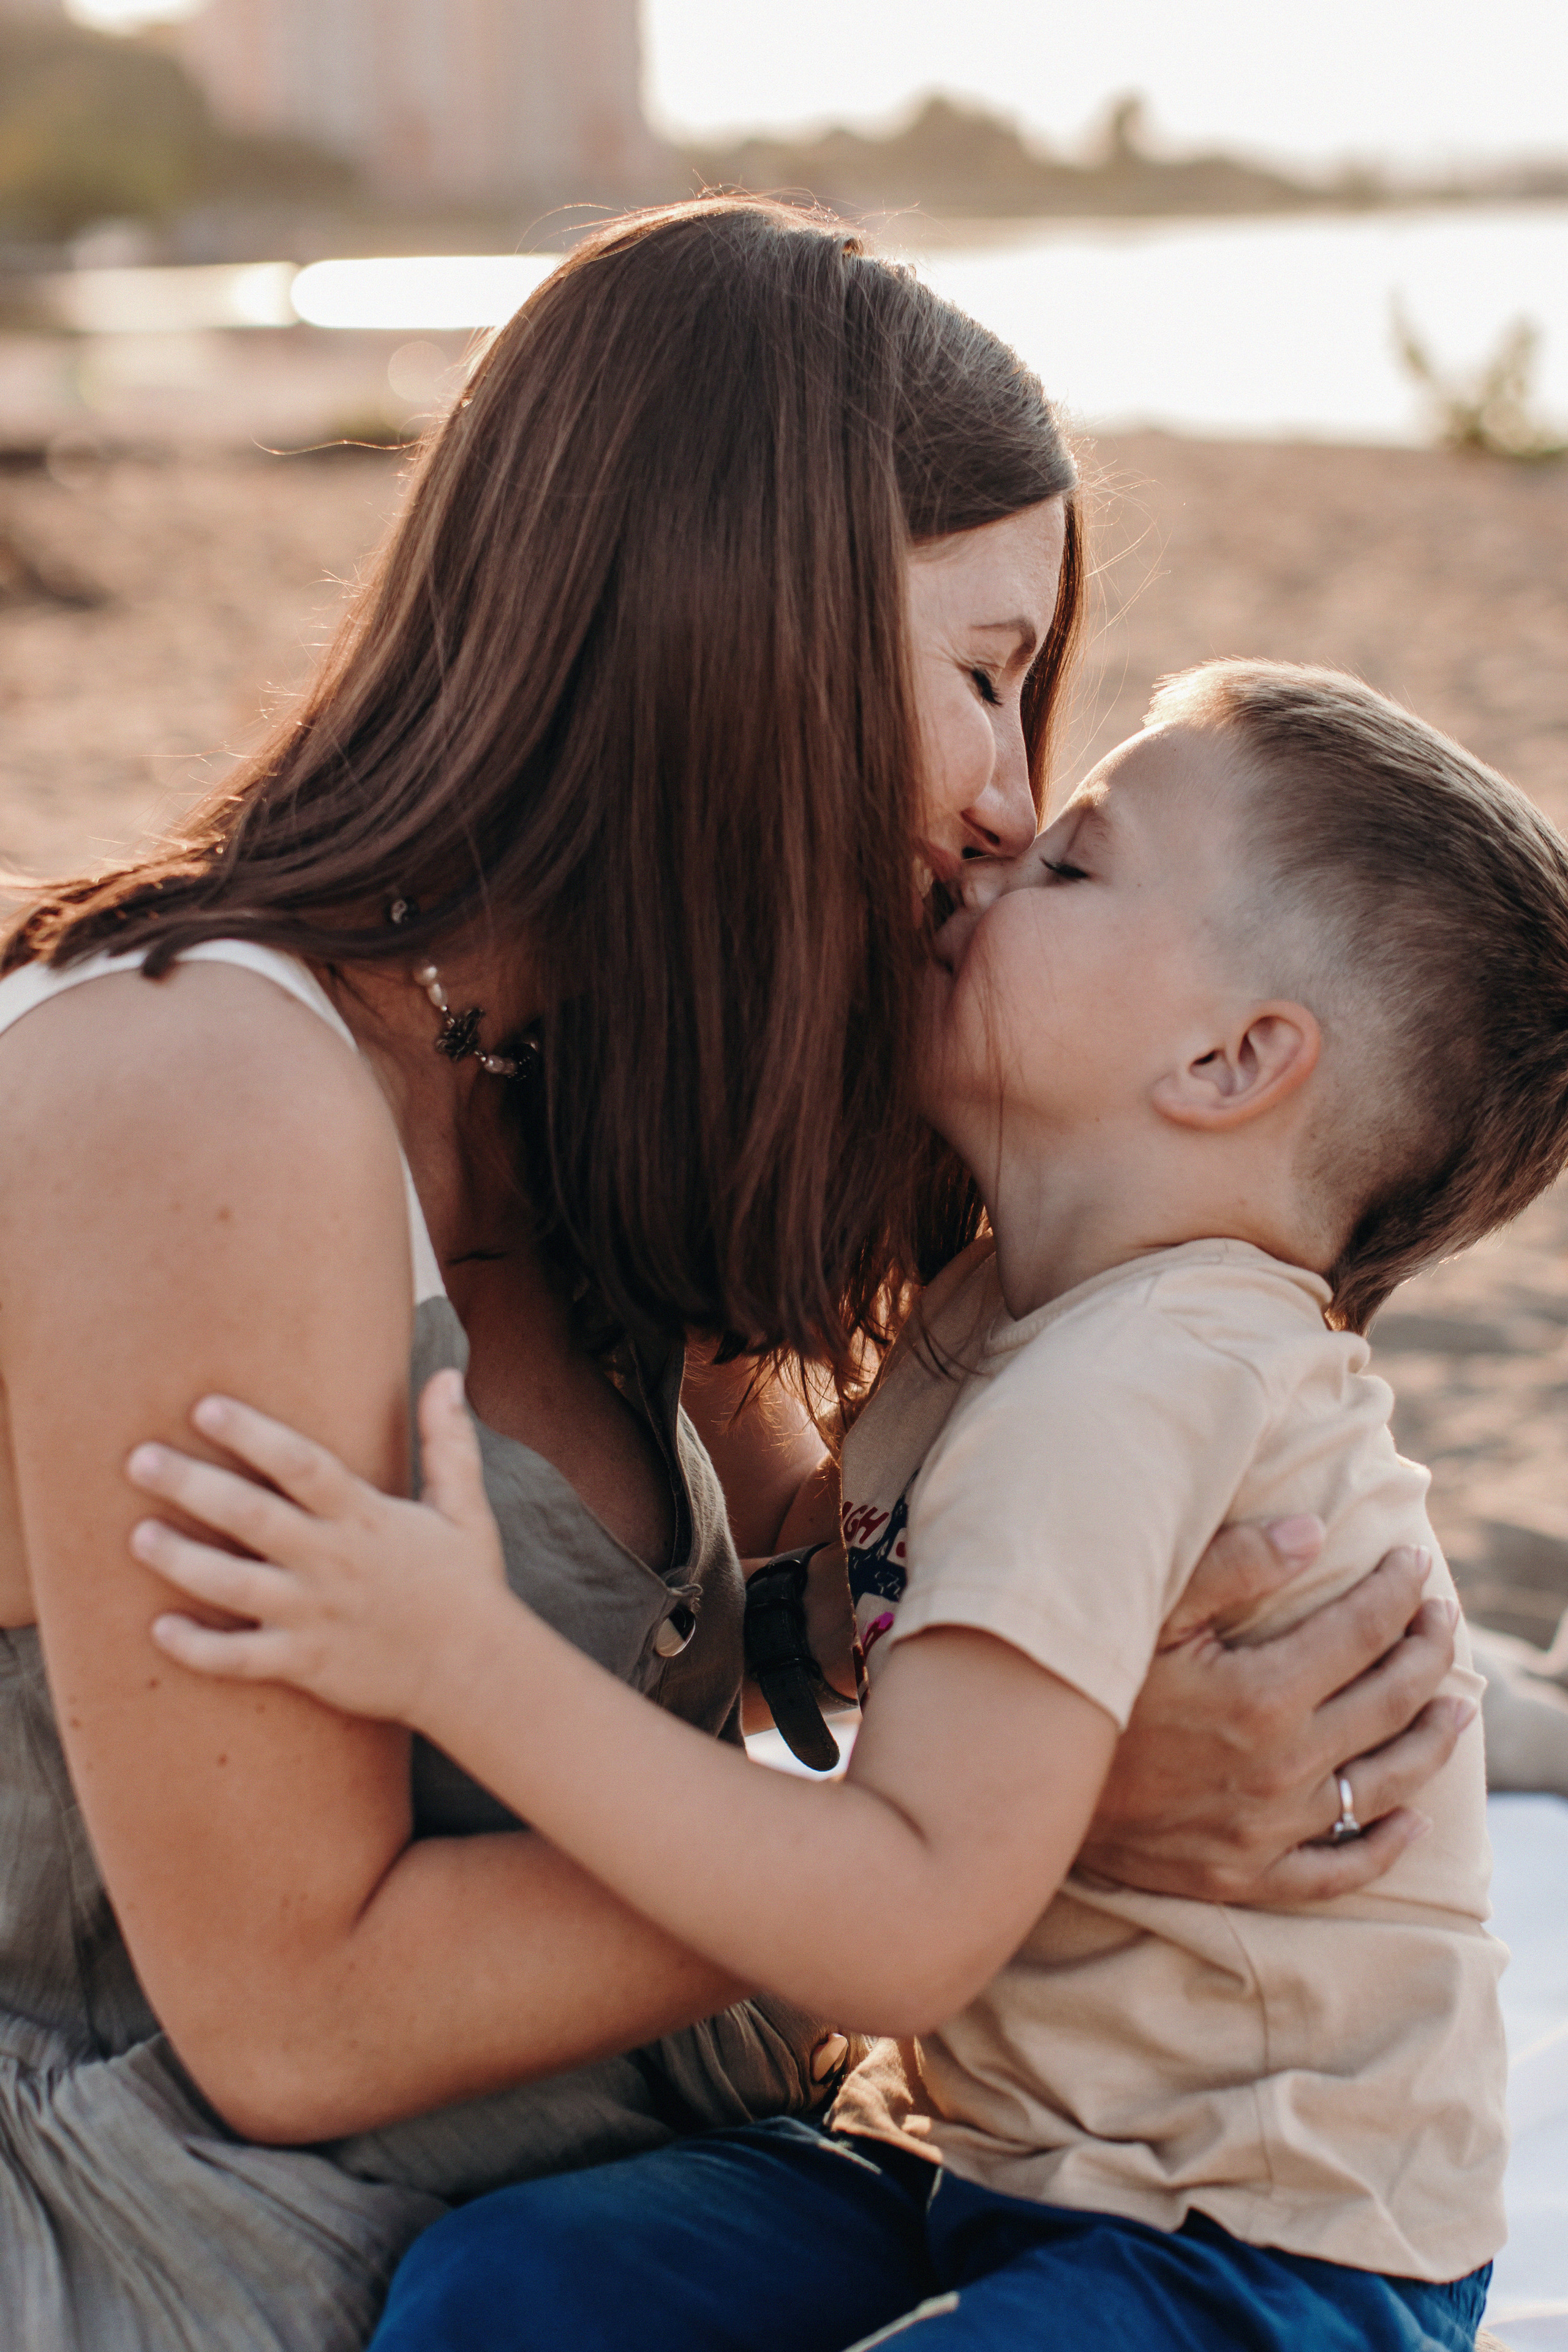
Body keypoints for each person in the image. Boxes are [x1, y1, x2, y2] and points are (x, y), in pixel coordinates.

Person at [0, 203, 1460, 2352]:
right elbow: (290, 2020)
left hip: (635, 2199)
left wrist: (1241, 1631)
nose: (1000, 802)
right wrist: (1012, 1841)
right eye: (981, 675)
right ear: (735, 614)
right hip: (213, 2248)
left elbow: (817, 1597)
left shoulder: (585, 1079)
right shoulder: (200, 1086)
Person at [132, 660, 1568, 2351]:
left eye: (1077, 867)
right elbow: (855, 1612)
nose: (993, 853)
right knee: (510, 2288)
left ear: (1233, 1057)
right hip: (999, 2161)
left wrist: (455, 1654)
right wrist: (810, 1622)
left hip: (1261, 2242)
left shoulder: (1145, 1382)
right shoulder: (1000, 1315)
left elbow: (898, 1916)